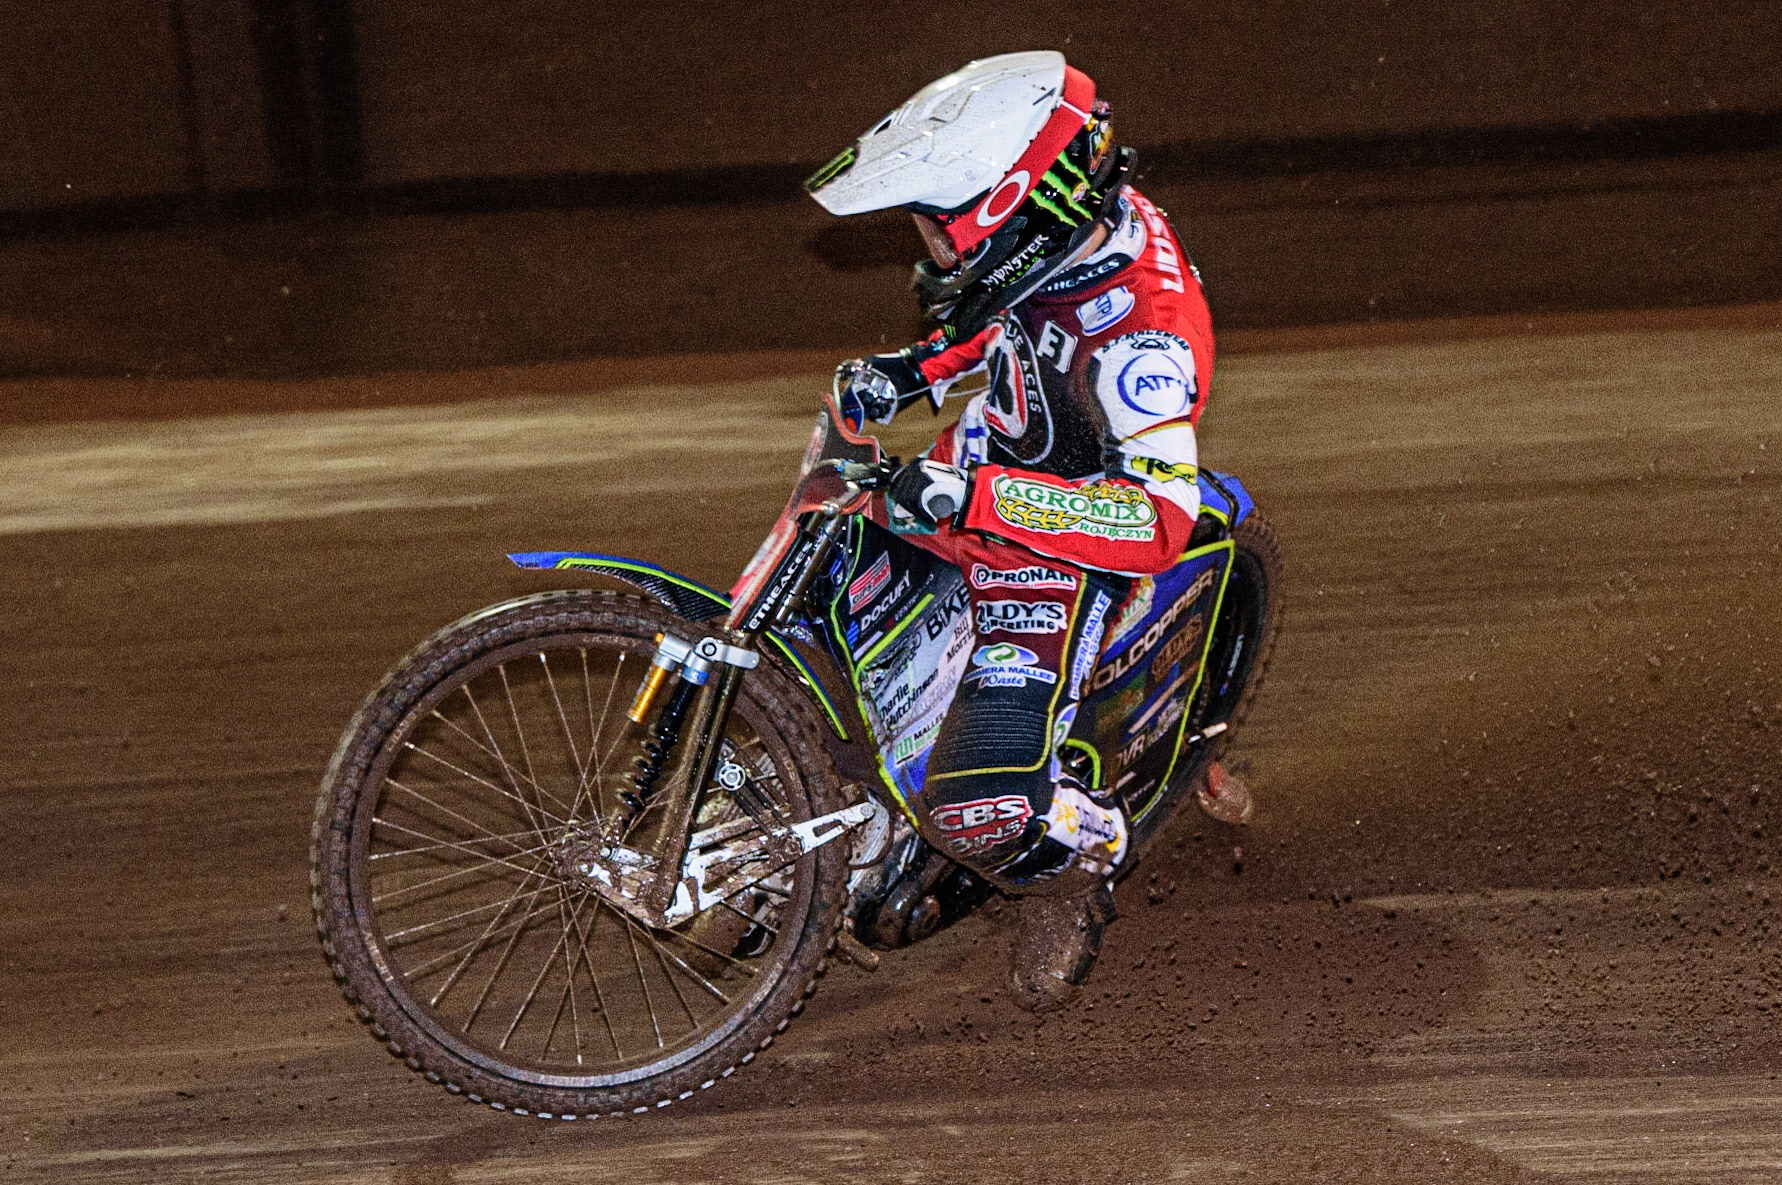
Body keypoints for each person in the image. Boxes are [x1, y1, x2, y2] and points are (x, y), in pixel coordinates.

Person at [805, 51, 1215, 1011]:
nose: (925, 251)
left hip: (1065, 541)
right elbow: (1006, 313)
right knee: (823, 584)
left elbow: (1158, 518)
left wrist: (976, 501)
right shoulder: (1063, 230)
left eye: (939, 232)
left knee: (973, 802)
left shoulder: (1143, 344)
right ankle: (848, 808)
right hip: (998, 456)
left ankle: (1080, 860)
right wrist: (913, 374)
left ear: (1016, 212)